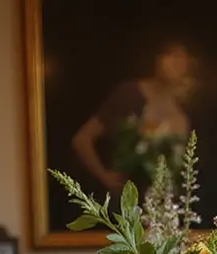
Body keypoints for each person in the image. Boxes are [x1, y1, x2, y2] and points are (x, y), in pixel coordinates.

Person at [72, 43, 193, 196]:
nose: (177, 63)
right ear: (156, 59)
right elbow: (82, 140)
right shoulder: (129, 95)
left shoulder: (183, 112)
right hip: (129, 205)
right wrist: (105, 177)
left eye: (183, 58)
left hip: (166, 209)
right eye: (171, 55)